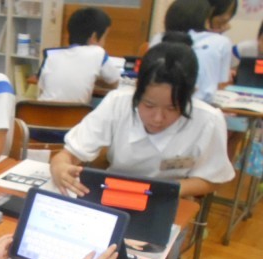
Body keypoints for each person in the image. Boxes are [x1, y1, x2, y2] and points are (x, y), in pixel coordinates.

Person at [52, 38, 235, 199]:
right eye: (148, 105)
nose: (158, 118)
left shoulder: (208, 120)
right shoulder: (118, 102)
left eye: (172, 108)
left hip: (168, 198)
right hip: (114, 192)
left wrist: (162, 191)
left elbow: (213, 179)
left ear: (191, 95)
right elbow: (69, 154)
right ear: (137, 88)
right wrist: (59, 166)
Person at [150, 0, 232, 103]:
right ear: (202, 19)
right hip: (202, 104)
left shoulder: (158, 38)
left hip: (159, 101)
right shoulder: (221, 42)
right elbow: (221, 84)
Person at [37, 7, 120, 104]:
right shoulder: (98, 52)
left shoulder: (51, 55)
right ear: (93, 37)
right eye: (105, 37)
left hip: (40, 112)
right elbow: (115, 83)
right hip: (78, 113)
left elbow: (42, 89)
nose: (104, 43)